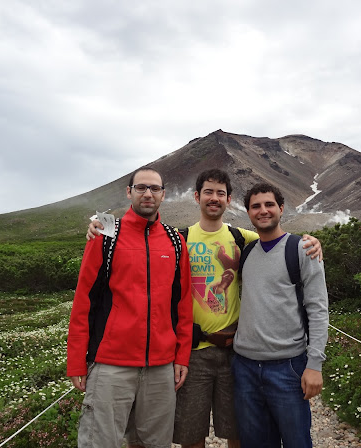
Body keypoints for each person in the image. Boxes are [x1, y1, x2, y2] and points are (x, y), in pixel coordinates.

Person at [87, 169, 323, 448]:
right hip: (192, 353)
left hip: (234, 353)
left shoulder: (243, 238)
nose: (214, 198)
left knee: (239, 432)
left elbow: (276, 240)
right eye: (208, 192)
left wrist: (310, 243)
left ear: (229, 200)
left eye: (220, 193)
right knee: (190, 433)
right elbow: (139, 239)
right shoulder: (178, 239)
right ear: (197, 197)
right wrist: (98, 227)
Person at [67, 166, 194, 448]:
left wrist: (181, 356)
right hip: (111, 364)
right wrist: (76, 358)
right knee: (100, 442)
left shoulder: (175, 241)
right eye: (141, 188)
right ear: (129, 192)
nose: (148, 193)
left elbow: (183, 304)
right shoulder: (105, 235)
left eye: (155, 188)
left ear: (163, 194)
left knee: (156, 444)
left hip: (161, 366)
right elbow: (84, 299)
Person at [232, 182, 329, 448]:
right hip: (245, 368)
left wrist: (314, 365)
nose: (263, 211)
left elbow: (318, 309)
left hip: (288, 368)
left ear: (281, 208)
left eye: (269, 204)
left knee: (297, 442)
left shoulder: (302, 249)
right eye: (256, 206)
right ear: (248, 212)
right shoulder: (247, 251)